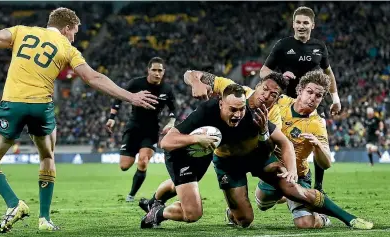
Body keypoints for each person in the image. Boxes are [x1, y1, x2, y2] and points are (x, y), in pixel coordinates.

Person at [0, 7, 158, 233]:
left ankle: (14, 204)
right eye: (74, 31)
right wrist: (130, 96)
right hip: (42, 109)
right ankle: (44, 219)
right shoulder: (67, 47)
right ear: (66, 28)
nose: (75, 37)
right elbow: (93, 77)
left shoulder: (22, 31)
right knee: (47, 157)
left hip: (13, 104)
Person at [141, 83, 373, 230]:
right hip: (215, 160)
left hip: (256, 158)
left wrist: (291, 169)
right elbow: (167, 142)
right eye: (232, 109)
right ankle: (157, 209)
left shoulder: (253, 113)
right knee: (241, 220)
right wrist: (196, 139)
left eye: (241, 108)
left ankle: (349, 218)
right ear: (221, 103)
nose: (238, 114)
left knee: (293, 189)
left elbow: (283, 142)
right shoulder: (206, 112)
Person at [138, 71, 286, 214]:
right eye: (265, 89)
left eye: (273, 94)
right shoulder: (232, 90)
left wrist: (264, 133)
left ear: (278, 98)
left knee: (179, 183)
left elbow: (270, 149)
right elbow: (191, 73)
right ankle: (156, 212)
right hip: (198, 147)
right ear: (258, 85)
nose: (266, 96)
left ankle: (152, 203)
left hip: (215, 151)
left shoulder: (273, 116)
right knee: (188, 198)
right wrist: (196, 82)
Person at [260, 6, 340, 194]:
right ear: (293, 24)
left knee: (318, 137)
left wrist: (335, 98)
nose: (301, 26)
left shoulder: (319, 46)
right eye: (298, 22)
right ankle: (268, 178)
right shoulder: (282, 45)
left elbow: (328, 74)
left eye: (305, 22)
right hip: (284, 103)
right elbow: (264, 71)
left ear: (312, 25)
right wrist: (279, 75)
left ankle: (318, 187)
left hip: (310, 101)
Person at [255, 70, 335, 229]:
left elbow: (326, 163)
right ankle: (286, 196)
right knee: (262, 204)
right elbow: (260, 94)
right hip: (275, 172)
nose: (312, 98)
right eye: (309, 92)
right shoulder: (282, 101)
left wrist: (318, 146)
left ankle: (322, 218)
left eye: (318, 96)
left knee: (305, 224)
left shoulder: (317, 124)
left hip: (298, 176)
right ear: (300, 90)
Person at [105, 57, 176, 202]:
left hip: (151, 130)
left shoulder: (167, 89)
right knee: (124, 166)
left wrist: (171, 122)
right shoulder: (136, 83)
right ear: (148, 70)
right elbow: (119, 97)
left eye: (160, 70)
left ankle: (131, 195)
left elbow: (174, 110)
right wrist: (112, 117)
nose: (157, 73)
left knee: (143, 161)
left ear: (163, 72)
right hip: (133, 128)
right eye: (154, 70)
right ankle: (132, 154)